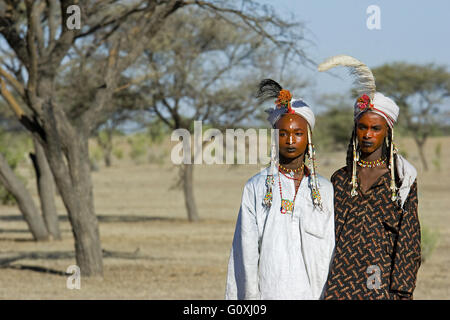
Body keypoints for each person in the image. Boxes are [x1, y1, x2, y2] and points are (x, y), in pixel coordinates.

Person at [318, 55, 421, 300]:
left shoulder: (401, 181)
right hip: (337, 284)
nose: (367, 134)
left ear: (387, 132)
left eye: (376, 128)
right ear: (355, 129)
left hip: (380, 284)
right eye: (362, 127)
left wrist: (401, 291)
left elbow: (409, 241)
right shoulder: (340, 179)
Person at [225, 79, 335, 300]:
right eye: (283, 133)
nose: (291, 140)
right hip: (268, 293)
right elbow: (245, 251)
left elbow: (331, 251)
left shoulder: (326, 190)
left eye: (298, 133)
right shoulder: (256, 187)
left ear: (309, 138)